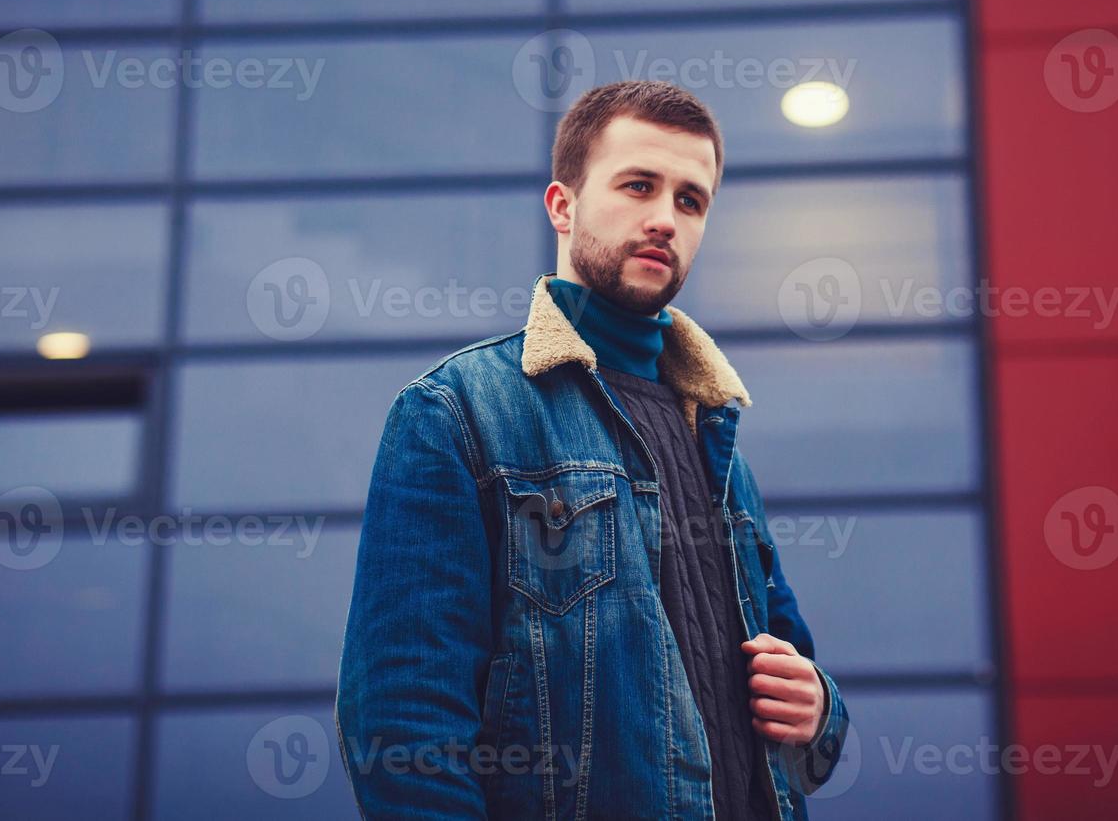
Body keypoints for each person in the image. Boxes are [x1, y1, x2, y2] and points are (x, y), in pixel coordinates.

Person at [336, 80, 849, 819]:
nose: (665, 219)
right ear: (562, 206)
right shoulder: (457, 413)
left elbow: (796, 688)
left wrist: (818, 707)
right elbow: (403, 726)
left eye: (689, 200)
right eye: (638, 186)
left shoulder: (719, 442)